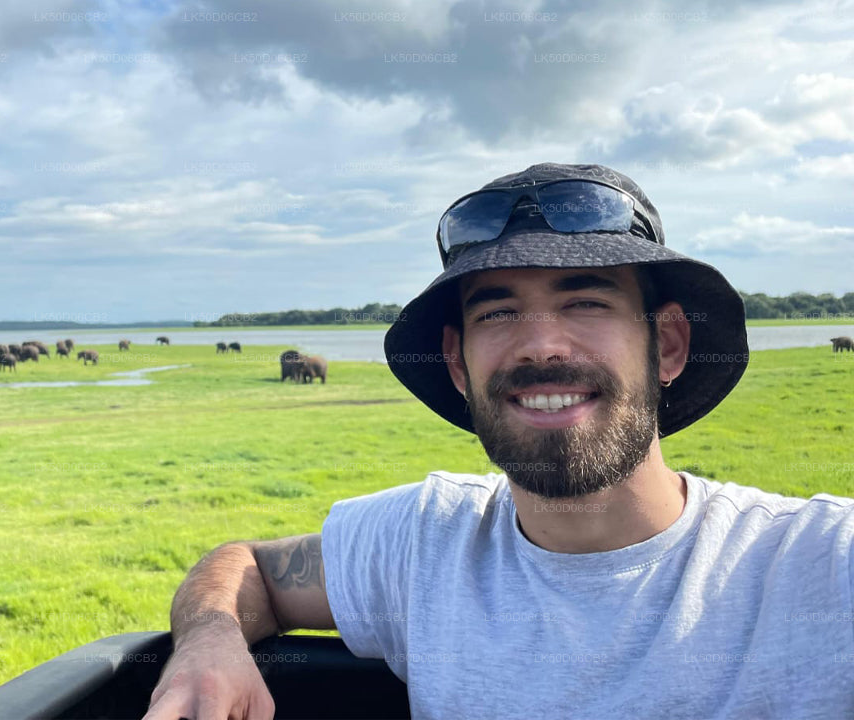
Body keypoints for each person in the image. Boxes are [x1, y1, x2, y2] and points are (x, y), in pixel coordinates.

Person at [143, 163, 854, 719]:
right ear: (458, 365)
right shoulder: (423, 540)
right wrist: (209, 642)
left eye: (586, 301)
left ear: (667, 344)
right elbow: (244, 567)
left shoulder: (819, 564)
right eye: (498, 313)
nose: (541, 345)